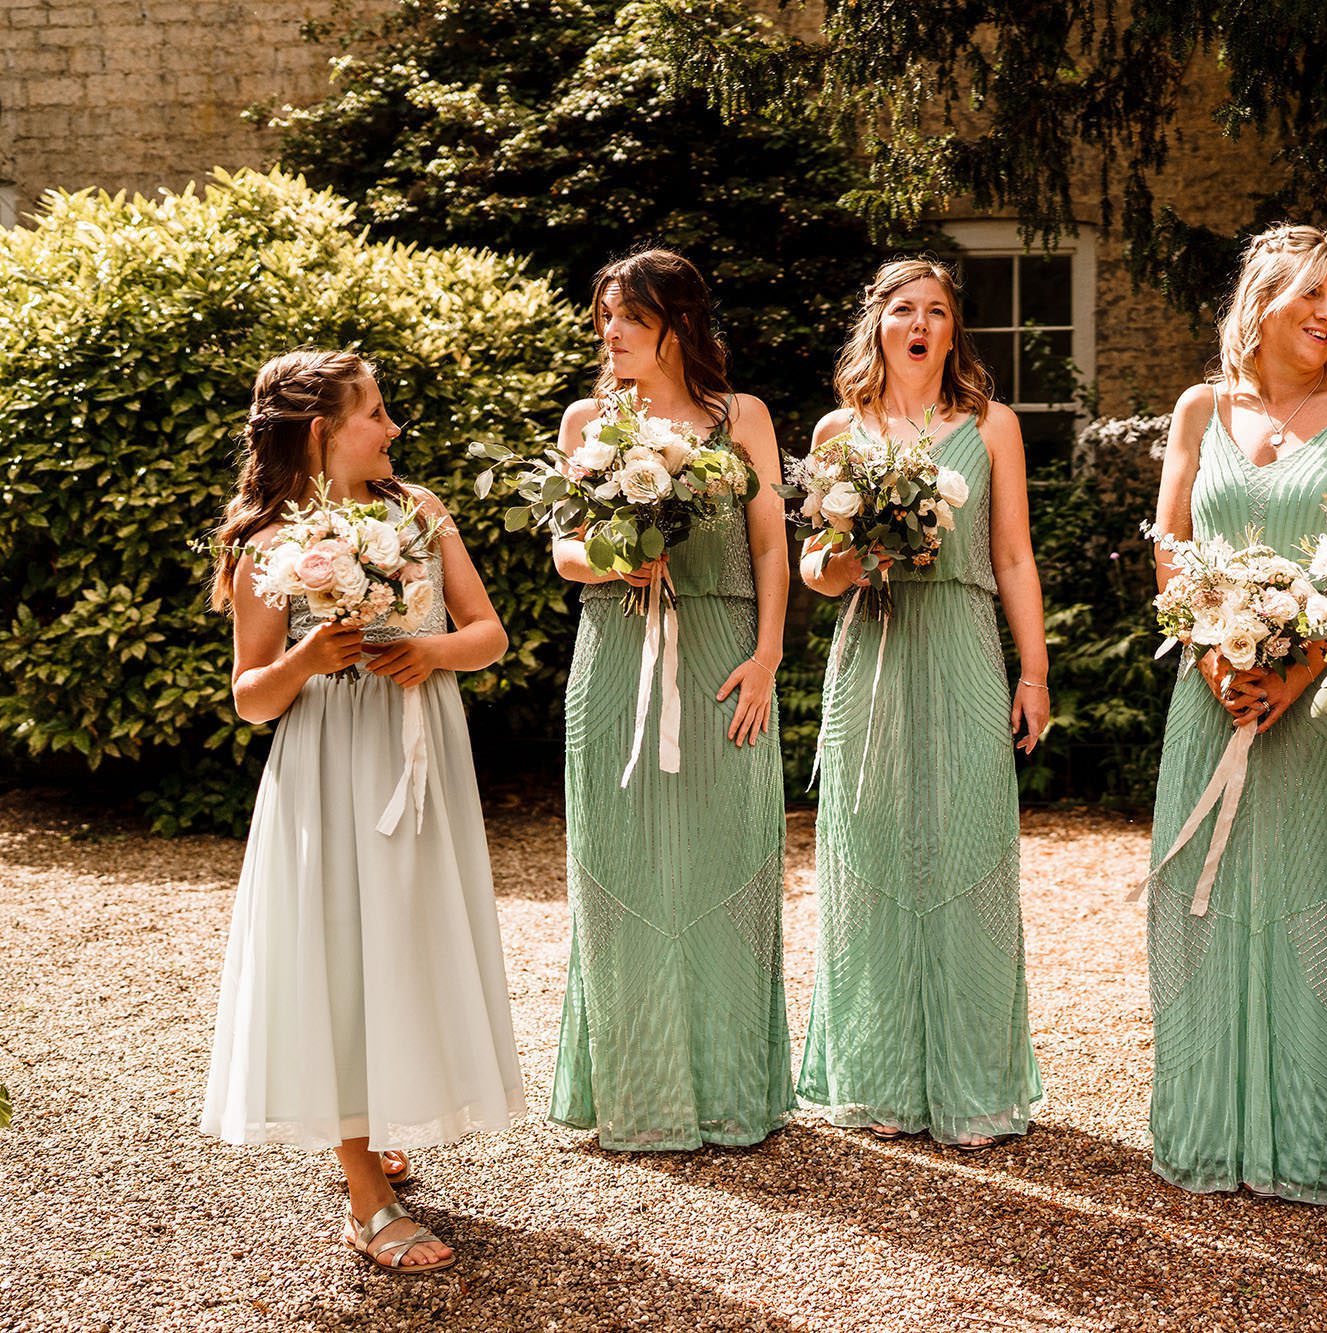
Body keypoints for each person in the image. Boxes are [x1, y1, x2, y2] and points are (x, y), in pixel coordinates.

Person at [203, 349, 524, 1273]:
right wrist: (311, 657)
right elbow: (252, 697)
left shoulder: (418, 510)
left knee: (404, 938)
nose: (391, 429)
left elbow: (489, 634)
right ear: (321, 433)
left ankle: (375, 1121)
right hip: (330, 762)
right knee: (342, 943)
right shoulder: (266, 542)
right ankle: (363, 1191)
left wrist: (427, 649)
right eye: (375, 413)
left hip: (419, 747)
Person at [1146, 223, 1327, 1201]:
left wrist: (1294, 672)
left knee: (1316, 908)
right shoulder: (1196, 409)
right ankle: (1210, 1129)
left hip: (1326, 703)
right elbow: (1170, 544)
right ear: (1259, 302)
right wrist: (1214, 650)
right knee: (1204, 906)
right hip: (1207, 692)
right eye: (1309, 293)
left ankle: (1312, 1143)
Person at [795, 258, 1048, 1149]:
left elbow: (1013, 555)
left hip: (963, 643)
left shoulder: (992, 427)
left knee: (968, 848)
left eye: (937, 311)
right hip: (874, 649)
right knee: (872, 852)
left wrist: (1035, 670)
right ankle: (882, 1077)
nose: (921, 322)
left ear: (952, 331)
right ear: (879, 325)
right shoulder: (839, 431)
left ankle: (973, 1082)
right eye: (904, 308)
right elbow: (813, 570)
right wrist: (855, 558)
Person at [548, 250, 793, 1150]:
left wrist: (767, 654)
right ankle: (638, 1088)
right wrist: (615, 556)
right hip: (617, 648)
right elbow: (566, 552)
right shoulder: (589, 419)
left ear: (677, 326)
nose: (608, 332)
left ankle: (730, 1091)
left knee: (730, 861)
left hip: (724, 652)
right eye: (604, 315)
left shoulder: (745, 418)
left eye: (627, 317)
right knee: (623, 866)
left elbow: (770, 545)